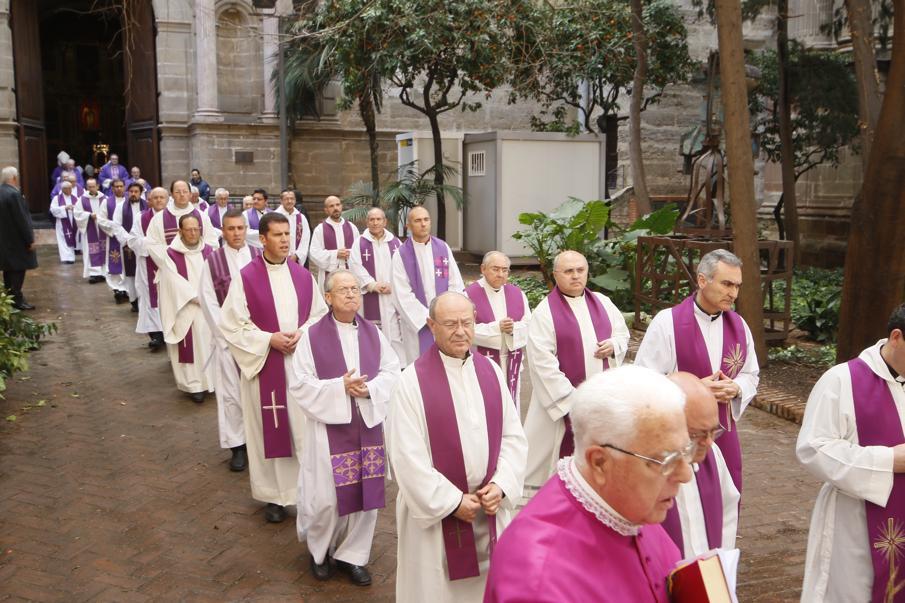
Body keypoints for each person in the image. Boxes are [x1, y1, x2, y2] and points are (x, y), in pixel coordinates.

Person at [484, 365, 693, 602]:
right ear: (600, 463)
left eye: (686, 451)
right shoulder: (539, 581)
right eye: (665, 460)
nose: (686, 474)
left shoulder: (625, 503)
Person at [387, 292, 528, 603]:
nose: (461, 331)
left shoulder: (490, 371)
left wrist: (501, 485)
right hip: (439, 518)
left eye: (467, 322)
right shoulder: (410, 383)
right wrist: (452, 501)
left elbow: (513, 436)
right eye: (450, 324)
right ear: (431, 325)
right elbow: (406, 457)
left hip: (487, 507)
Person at [288, 270, 401, 586]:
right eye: (343, 289)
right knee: (326, 498)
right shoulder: (311, 337)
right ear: (328, 297)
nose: (352, 294)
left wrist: (370, 390)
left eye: (355, 289)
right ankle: (320, 551)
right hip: (329, 429)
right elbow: (300, 383)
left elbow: (392, 372)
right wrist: (340, 388)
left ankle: (353, 556)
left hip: (367, 425)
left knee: (367, 496)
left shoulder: (373, 333)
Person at [219, 213, 328, 523]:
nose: (284, 240)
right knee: (268, 432)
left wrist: (301, 333)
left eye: (287, 235)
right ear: (262, 239)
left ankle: (304, 491)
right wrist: (269, 339)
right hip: (266, 364)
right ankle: (273, 497)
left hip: (300, 366)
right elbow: (232, 323)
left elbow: (320, 316)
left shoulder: (303, 276)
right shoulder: (246, 277)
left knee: (302, 433)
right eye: (277, 235)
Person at [797, 303, 905, 602]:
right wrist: (888, 460)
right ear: (896, 337)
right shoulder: (841, 380)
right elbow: (813, 448)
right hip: (855, 522)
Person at [634, 249, 759, 493]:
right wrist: (692, 390)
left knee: (724, 499)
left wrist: (736, 387)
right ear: (702, 280)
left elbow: (750, 374)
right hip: (679, 436)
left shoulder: (739, 326)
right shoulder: (667, 322)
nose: (733, 293)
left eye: (737, 286)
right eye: (726, 284)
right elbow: (643, 380)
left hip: (724, 435)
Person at [521, 250, 630, 502]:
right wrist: (576, 403)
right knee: (553, 469)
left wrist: (614, 345)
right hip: (561, 409)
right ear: (556, 275)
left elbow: (622, 334)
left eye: (580, 270)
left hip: (602, 403)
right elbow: (542, 364)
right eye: (568, 271)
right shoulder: (545, 312)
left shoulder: (603, 302)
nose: (575, 276)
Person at [199, 210, 261, 471]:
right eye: (231, 229)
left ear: (246, 229)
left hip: (258, 339)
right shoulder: (212, 262)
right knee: (232, 395)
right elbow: (208, 300)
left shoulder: (259, 256)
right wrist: (227, 336)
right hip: (229, 341)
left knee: (259, 395)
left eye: (240, 228)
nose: (236, 233)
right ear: (222, 231)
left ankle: (260, 444)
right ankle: (238, 446)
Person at [661, 372, 740, 559]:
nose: (709, 442)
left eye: (713, 431)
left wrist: (720, 561)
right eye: (697, 433)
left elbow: (728, 508)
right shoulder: (644, 465)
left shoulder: (712, 453)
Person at [152, 213, 215, 403]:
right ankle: (194, 385)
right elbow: (171, 280)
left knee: (210, 344)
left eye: (196, 229)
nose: (193, 233)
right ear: (180, 231)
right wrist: (194, 297)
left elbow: (219, 275)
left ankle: (212, 381)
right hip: (185, 307)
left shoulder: (211, 251)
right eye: (189, 229)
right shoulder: (171, 255)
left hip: (209, 307)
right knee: (192, 347)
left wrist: (211, 298)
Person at [391, 206, 464, 365]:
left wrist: (448, 313)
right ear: (408, 226)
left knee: (449, 365)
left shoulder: (443, 248)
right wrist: (428, 319)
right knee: (421, 368)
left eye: (426, 219)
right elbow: (401, 293)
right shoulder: (401, 255)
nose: (423, 224)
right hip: (419, 324)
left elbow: (455, 283)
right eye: (417, 220)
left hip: (447, 320)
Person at [464, 251, 531, 406]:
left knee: (511, 405)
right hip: (482, 361)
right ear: (483, 269)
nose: (500, 274)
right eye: (495, 269)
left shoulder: (518, 294)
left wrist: (513, 329)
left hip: (511, 361)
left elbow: (529, 325)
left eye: (505, 270)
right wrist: (497, 327)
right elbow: (466, 330)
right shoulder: (468, 295)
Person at [349, 207, 404, 359]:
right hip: (370, 295)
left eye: (378, 219)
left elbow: (402, 267)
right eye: (371, 219)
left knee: (394, 331)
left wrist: (393, 284)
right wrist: (372, 284)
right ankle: (374, 361)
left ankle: (398, 363)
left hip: (392, 294)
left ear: (384, 221)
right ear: (367, 222)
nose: (375, 222)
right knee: (372, 331)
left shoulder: (396, 243)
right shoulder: (359, 243)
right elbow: (355, 265)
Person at [128, 187, 169, 350]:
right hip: (147, 266)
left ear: (167, 200)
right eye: (155, 198)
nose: (159, 200)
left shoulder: (174, 218)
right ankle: (156, 335)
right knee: (149, 299)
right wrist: (153, 245)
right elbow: (133, 240)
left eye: (162, 197)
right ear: (150, 200)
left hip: (169, 265)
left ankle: (170, 332)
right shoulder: (141, 218)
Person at [0, 167, 37, 310]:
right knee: (18, 270)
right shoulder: (14, 194)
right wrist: (30, 240)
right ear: (14, 178)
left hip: (4, 241)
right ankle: (17, 300)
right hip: (17, 241)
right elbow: (21, 219)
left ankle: (9, 299)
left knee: (8, 271)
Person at [145, 180, 219, 251]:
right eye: (177, 192)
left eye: (185, 191)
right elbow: (152, 244)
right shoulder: (158, 218)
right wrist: (170, 260)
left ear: (190, 194)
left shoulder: (202, 217)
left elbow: (212, 242)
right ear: (172, 195)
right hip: (169, 262)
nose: (182, 194)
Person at [309, 195, 359, 292]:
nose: (335, 208)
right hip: (329, 275)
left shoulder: (352, 227)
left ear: (341, 206)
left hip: (350, 272)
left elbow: (359, 251)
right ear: (326, 210)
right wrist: (336, 254)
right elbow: (314, 253)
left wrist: (350, 253)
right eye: (331, 206)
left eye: (337, 205)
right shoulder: (320, 229)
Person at [112, 182, 149, 312]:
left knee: (144, 272)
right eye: (131, 191)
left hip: (144, 244)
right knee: (131, 274)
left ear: (141, 193)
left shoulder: (147, 206)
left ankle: (145, 300)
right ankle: (134, 300)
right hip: (128, 245)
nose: (133, 194)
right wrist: (128, 240)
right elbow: (116, 225)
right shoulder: (121, 206)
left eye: (136, 191)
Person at [96, 178, 130, 303]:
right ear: (112, 188)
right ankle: (118, 289)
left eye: (121, 186)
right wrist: (115, 228)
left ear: (125, 187)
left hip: (128, 237)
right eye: (116, 186)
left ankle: (128, 289)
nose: (119, 188)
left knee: (129, 264)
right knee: (115, 263)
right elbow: (101, 220)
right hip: (114, 239)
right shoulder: (107, 202)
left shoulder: (130, 200)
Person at [73, 178, 108, 283]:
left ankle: (104, 272)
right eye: (89, 186)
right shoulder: (82, 199)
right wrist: (88, 215)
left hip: (103, 228)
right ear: (86, 187)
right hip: (89, 229)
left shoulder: (105, 198)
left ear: (97, 186)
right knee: (91, 250)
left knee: (104, 249)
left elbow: (110, 211)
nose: (91, 188)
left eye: (93, 186)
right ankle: (94, 273)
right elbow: (77, 213)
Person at [274, 189, 310, 265]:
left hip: (296, 259)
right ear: (281, 201)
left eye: (292, 199)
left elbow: (305, 238)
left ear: (295, 200)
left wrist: (297, 255)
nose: (289, 201)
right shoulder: (274, 217)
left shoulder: (301, 217)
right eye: (286, 199)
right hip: (278, 257)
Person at [49, 180, 78, 264]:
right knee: (63, 239)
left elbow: (80, 208)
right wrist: (64, 208)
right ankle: (66, 258)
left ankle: (71, 257)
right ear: (63, 189)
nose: (70, 190)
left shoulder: (75, 198)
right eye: (68, 189)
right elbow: (53, 210)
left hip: (73, 222)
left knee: (71, 238)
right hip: (62, 222)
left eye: (71, 188)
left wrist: (74, 207)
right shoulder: (57, 198)